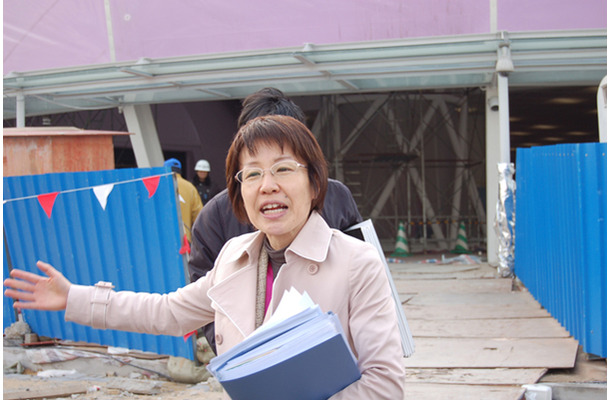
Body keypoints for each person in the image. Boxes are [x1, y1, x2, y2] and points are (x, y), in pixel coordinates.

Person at [5, 115, 405, 399]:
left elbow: (384, 383)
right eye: (252, 174)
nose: (267, 186)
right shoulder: (235, 256)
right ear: (239, 190)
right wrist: (74, 297)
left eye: (283, 169)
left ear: (314, 182)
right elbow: (167, 312)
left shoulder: (356, 262)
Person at [189, 88, 362, 353]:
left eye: (282, 163)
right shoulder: (213, 217)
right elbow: (205, 305)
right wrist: (237, 357)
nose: (269, 186)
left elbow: (360, 277)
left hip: (330, 351)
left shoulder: (336, 195)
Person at [165, 158, 203, 243]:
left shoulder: (159, 186)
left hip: (163, 238)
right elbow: (199, 216)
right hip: (184, 240)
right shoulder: (190, 187)